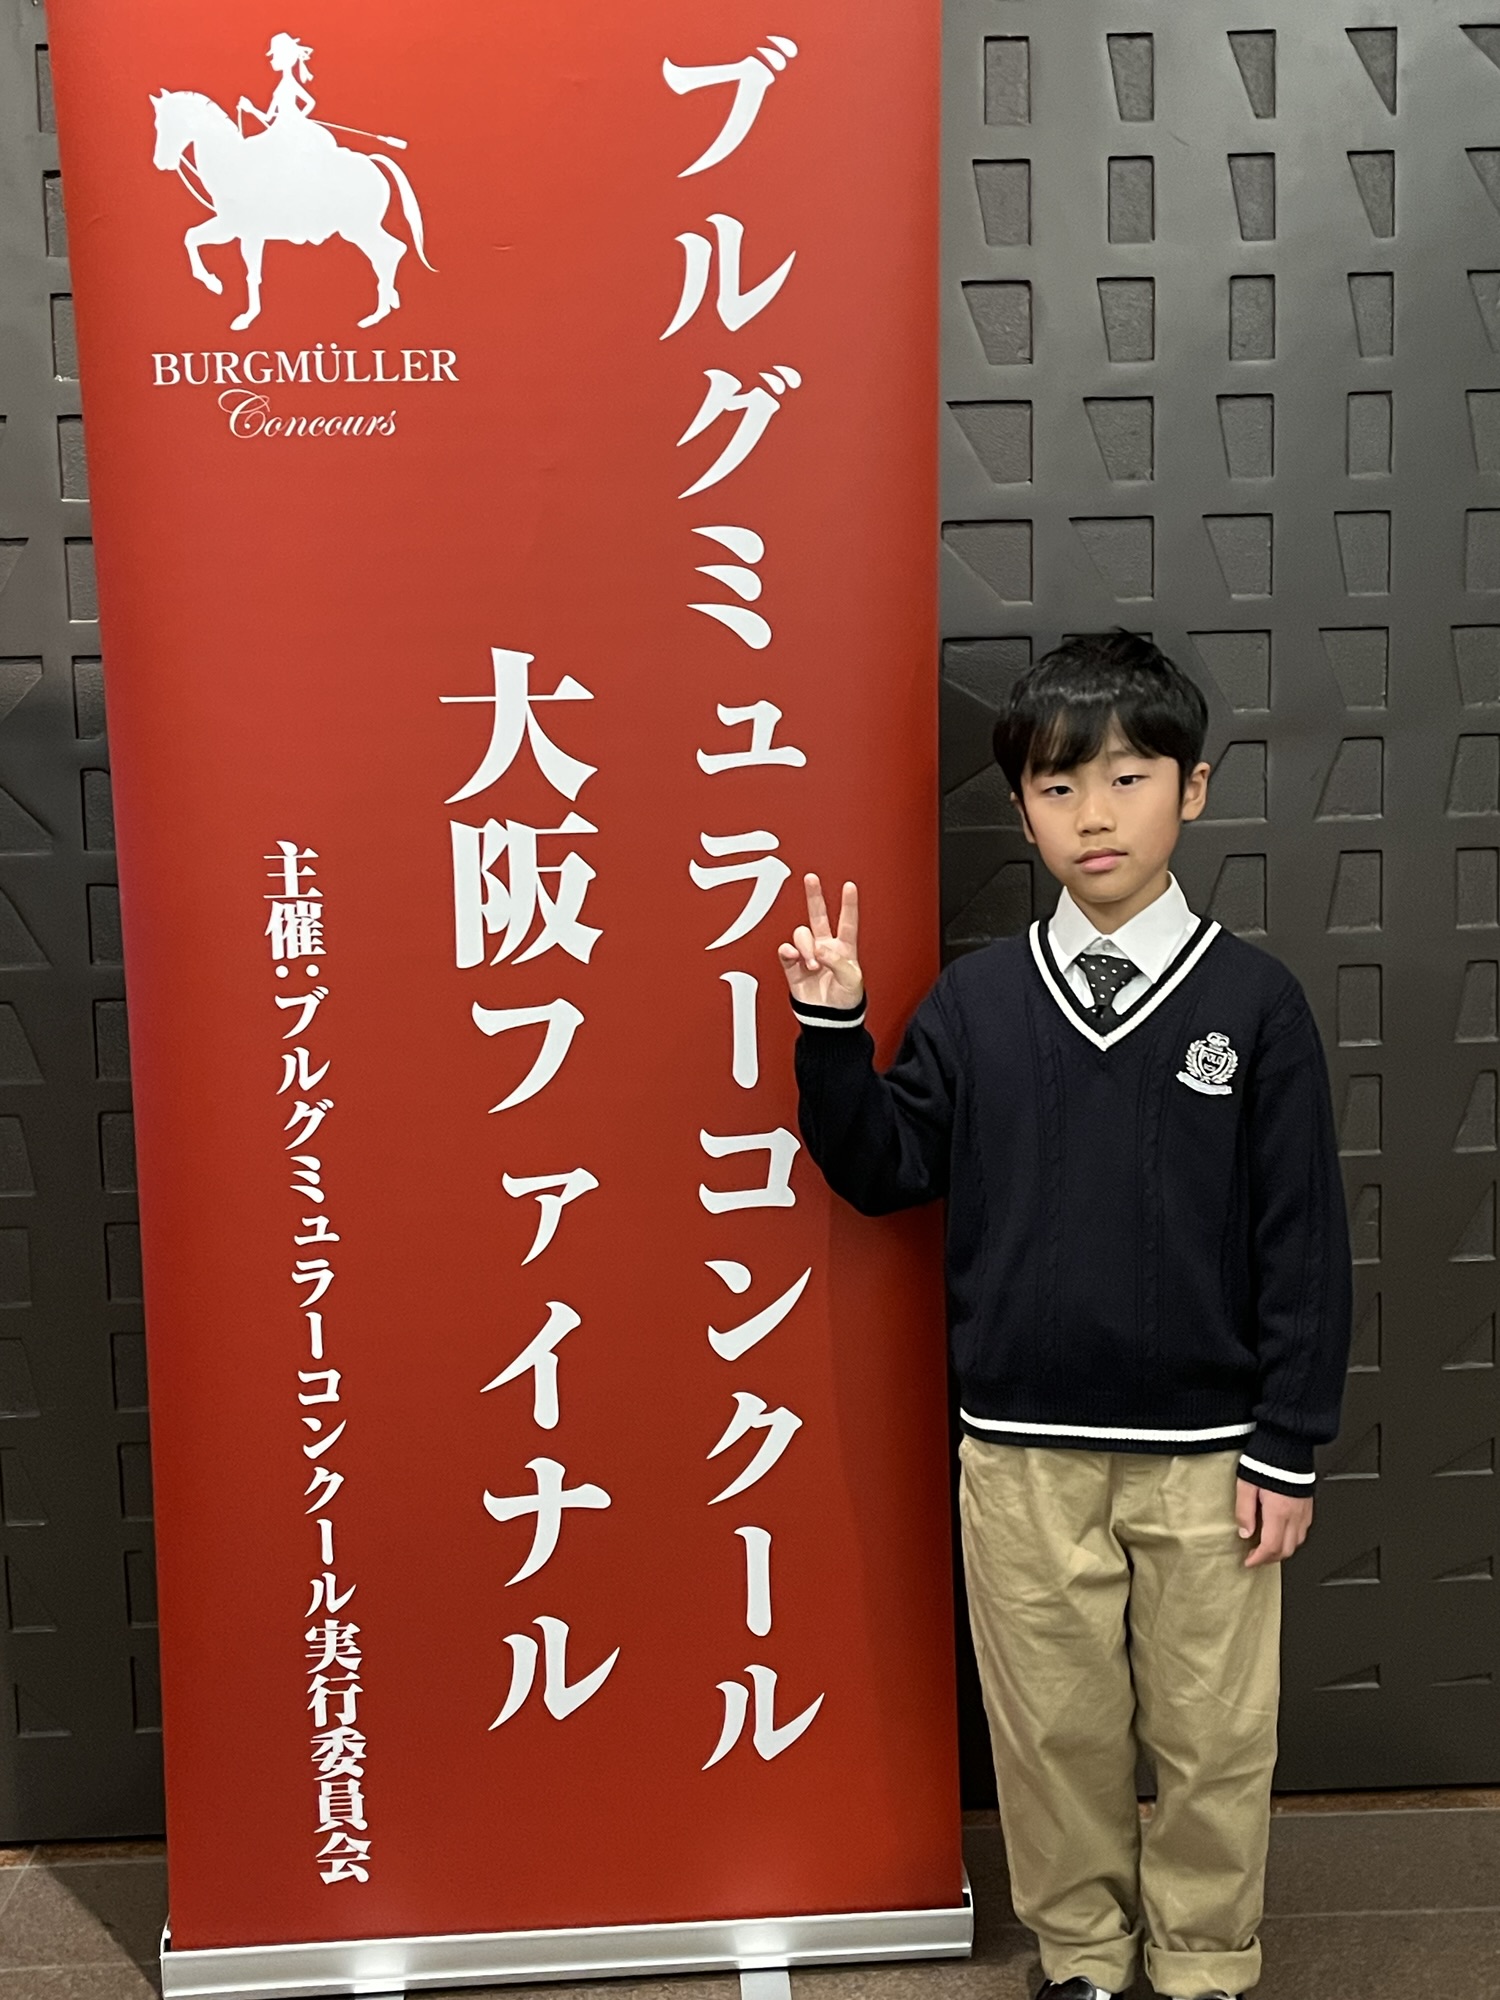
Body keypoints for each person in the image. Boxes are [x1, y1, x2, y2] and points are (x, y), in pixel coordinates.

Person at [777, 630, 1352, 2000]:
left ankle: (1205, 1961)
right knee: (1052, 1731)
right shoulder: (978, 1004)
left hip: (1212, 1458)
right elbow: (884, 1169)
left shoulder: (1253, 1004)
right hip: (1021, 1455)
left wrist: (1287, 1442)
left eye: (1127, 777)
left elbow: (1303, 1240)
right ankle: (1084, 1957)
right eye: (1056, 785)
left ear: (1191, 790)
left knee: (1216, 1733)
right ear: (1022, 808)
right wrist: (834, 1030)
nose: (1094, 814)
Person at [237, 34, 335, 156]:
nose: (272, 60)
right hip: (281, 126)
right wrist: (250, 109)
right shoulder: (283, 83)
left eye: (274, 56)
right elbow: (268, 117)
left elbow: (311, 102)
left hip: (285, 128)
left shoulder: (289, 82)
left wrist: (298, 118)